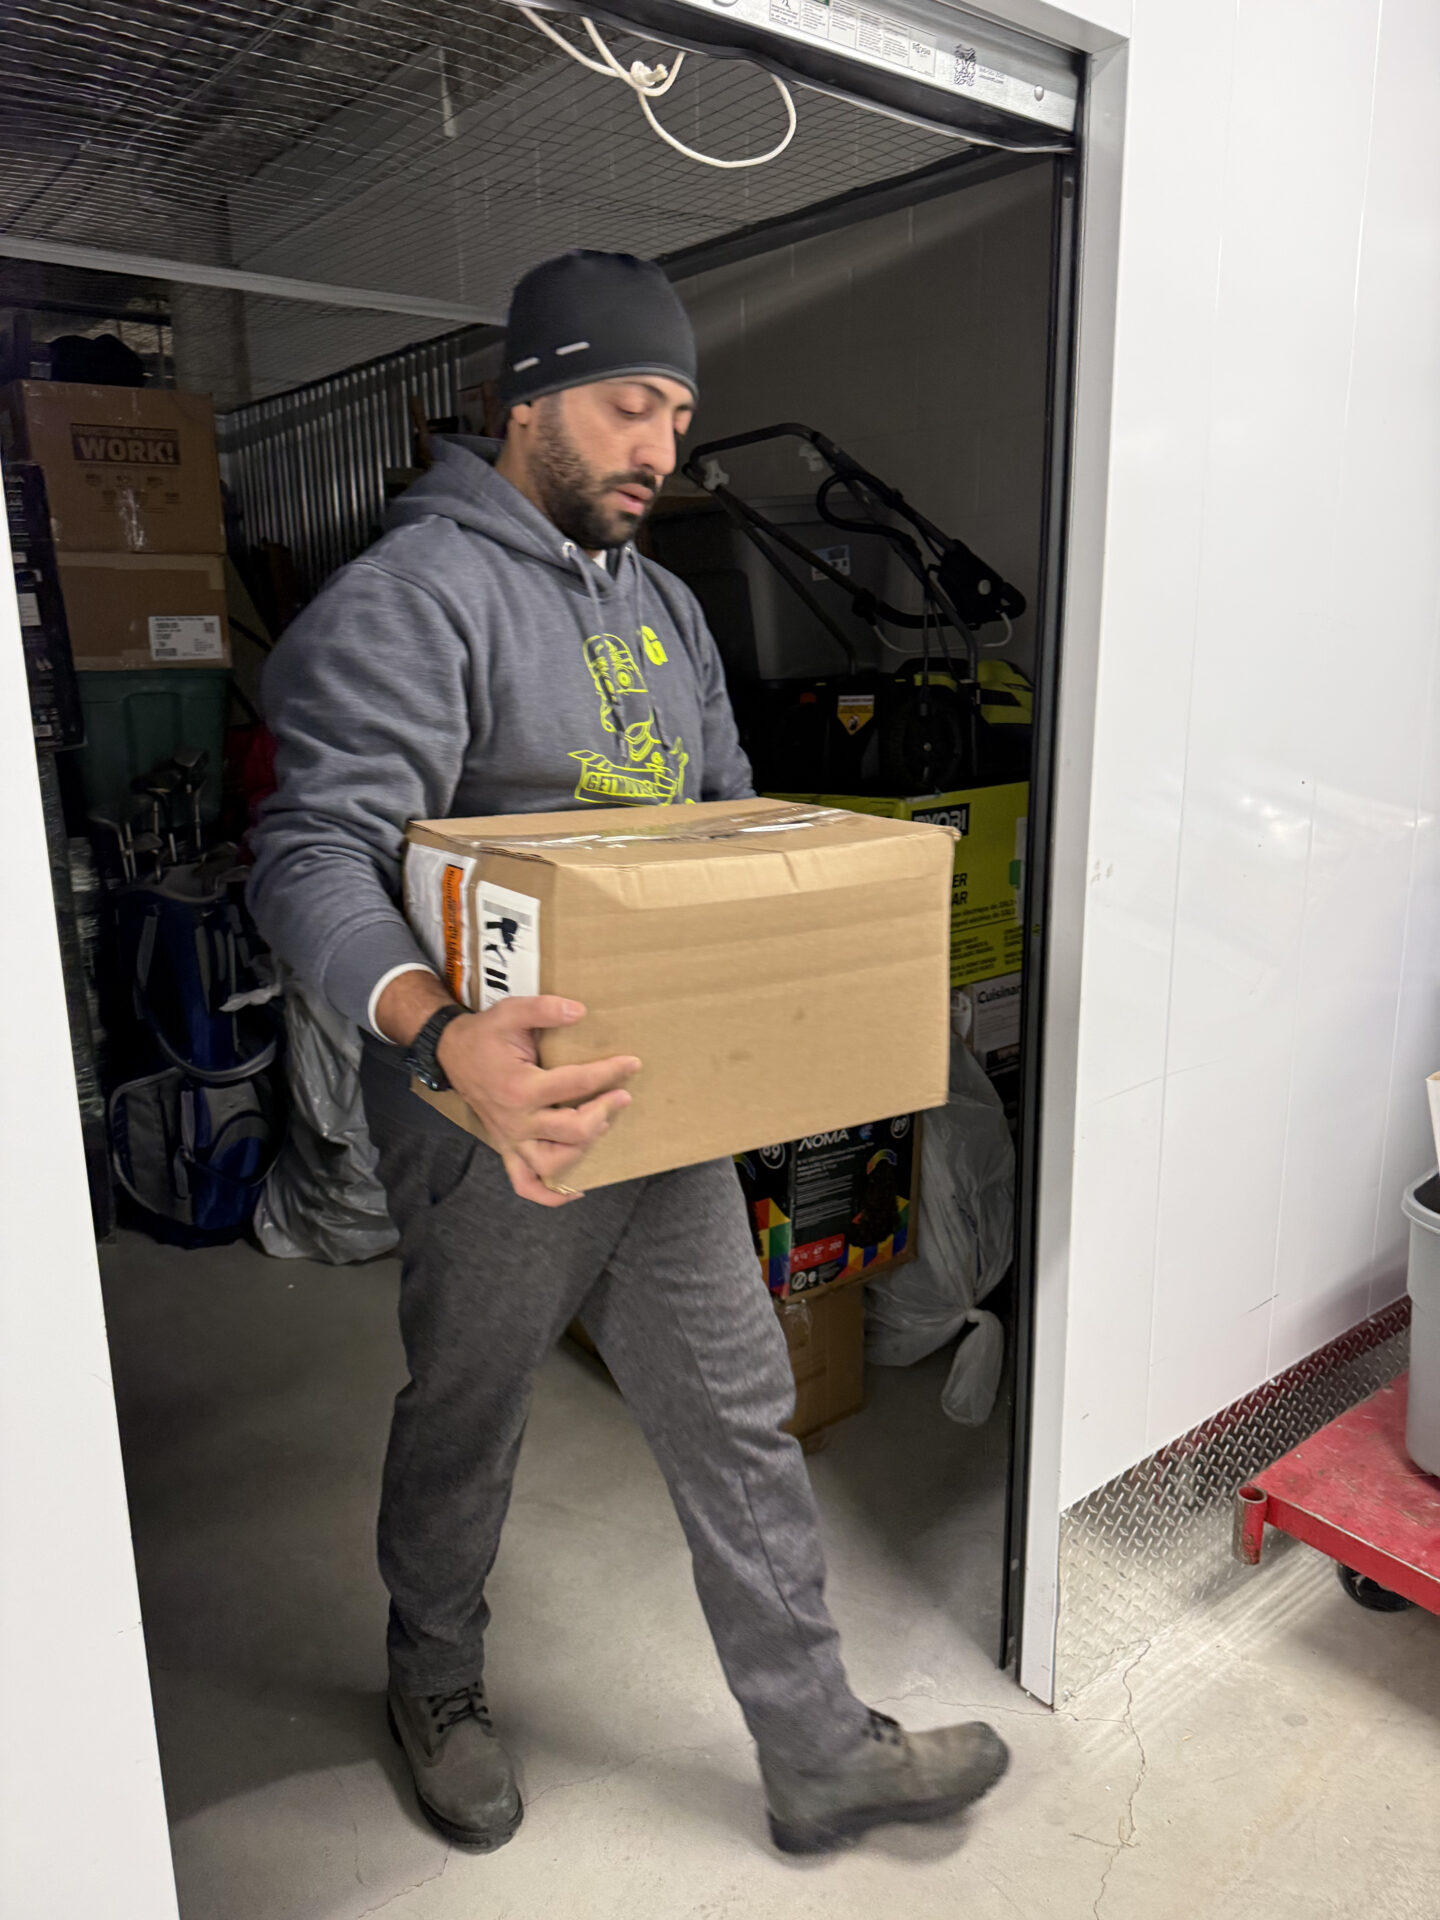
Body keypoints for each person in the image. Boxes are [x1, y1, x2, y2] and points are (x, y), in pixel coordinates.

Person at [248, 250, 1008, 1857]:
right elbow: (310, 857)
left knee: (738, 1408)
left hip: (658, 1105)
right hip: (490, 1119)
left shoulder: (665, 611)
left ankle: (816, 1750)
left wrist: (813, 999)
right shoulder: (412, 600)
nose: (660, 446)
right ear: (529, 400)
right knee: (470, 1416)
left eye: (678, 412)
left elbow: (730, 834)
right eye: (627, 404)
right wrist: (444, 1035)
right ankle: (434, 1679)